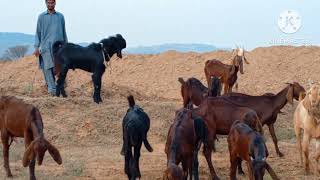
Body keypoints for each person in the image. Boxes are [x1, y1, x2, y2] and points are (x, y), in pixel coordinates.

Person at [33, 0, 68, 96]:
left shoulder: (60, 16)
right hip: (45, 47)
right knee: (47, 69)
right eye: (48, 3)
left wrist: (66, 46)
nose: (50, 4)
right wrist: (36, 47)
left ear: (55, 3)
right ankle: (52, 92)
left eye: (52, 3)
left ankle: (61, 89)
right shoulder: (41, 17)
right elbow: (38, 33)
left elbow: (64, 32)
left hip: (59, 47)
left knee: (59, 69)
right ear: (46, 3)